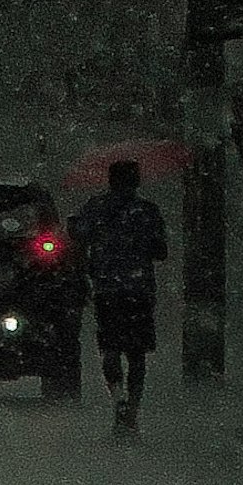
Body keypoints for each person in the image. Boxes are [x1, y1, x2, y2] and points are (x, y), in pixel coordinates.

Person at [74, 156, 170, 434]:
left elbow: (80, 235)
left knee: (111, 348)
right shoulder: (147, 211)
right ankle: (134, 407)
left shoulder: (96, 208)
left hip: (107, 288)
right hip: (138, 290)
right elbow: (160, 251)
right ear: (136, 181)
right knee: (137, 353)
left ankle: (118, 399)